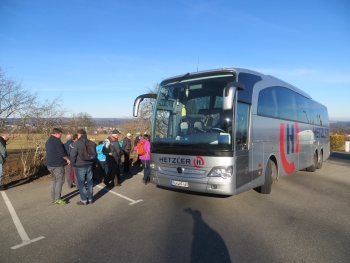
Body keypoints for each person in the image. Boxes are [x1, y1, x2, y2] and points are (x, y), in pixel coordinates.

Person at [45, 128, 70, 204]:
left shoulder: (48, 141)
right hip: (57, 164)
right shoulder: (57, 141)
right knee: (60, 181)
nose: (61, 136)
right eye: (60, 134)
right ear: (56, 133)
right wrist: (67, 159)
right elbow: (62, 153)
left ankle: (53, 197)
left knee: (54, 180)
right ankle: (57, 198)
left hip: (50, 164)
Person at [69, 129, 94, 205]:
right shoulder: (92, 143)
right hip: (89, 164)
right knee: (90, 182)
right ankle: (90, 199)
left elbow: (73, 155)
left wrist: (72, 164)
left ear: (79, 135)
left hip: (80, 165)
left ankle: (84, 200)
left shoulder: (76, 144)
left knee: (81, 183)